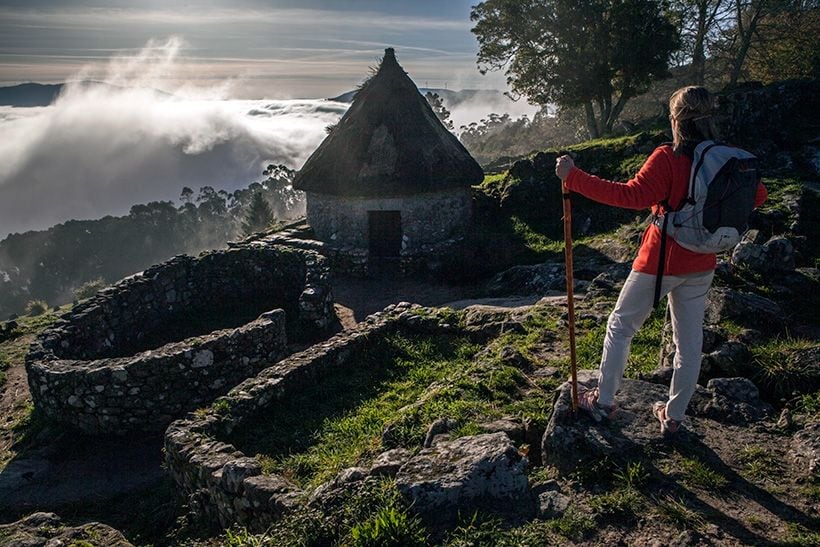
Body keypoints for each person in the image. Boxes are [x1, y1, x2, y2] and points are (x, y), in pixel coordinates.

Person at [554, 86, 767, 436]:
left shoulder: (668, 157)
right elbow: (758, 196)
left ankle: (604, 402)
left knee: (621, 326)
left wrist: (573, 178)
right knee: (689, 341)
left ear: (676, 119)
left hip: (661, 260)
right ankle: (674, 416)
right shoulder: (729, 159)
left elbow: (632, 195)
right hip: (703, 261)